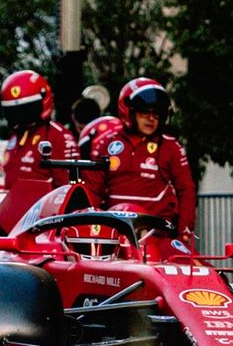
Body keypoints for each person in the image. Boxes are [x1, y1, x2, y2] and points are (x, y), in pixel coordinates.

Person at [84, 77, 196, 237]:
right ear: (129, 110)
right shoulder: (105, 143)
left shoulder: (171, 147)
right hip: (114, 233)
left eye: (156, 114)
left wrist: (184, 230)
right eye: (145, 112)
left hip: (158, 234)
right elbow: (92, 191)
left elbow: (186, 191)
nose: (151, 118)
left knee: (195, 262)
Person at [0, 69, 78, 189]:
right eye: (13, 111)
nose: (20, 116)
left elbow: (68, 187)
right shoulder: (16, 136)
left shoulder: (58, 136)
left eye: (26, 109)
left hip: (43, 206)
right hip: (13, 205)